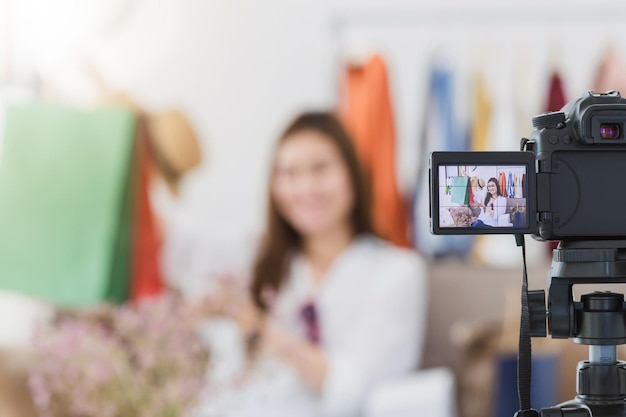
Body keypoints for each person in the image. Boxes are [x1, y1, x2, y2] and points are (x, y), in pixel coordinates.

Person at [196, 112, 427, 417]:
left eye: (320, 169)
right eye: (289, 173)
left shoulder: (398, 271)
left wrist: (263, 331)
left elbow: (354, 388)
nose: (305, 188)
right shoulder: (263, 263)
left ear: (352, 174)